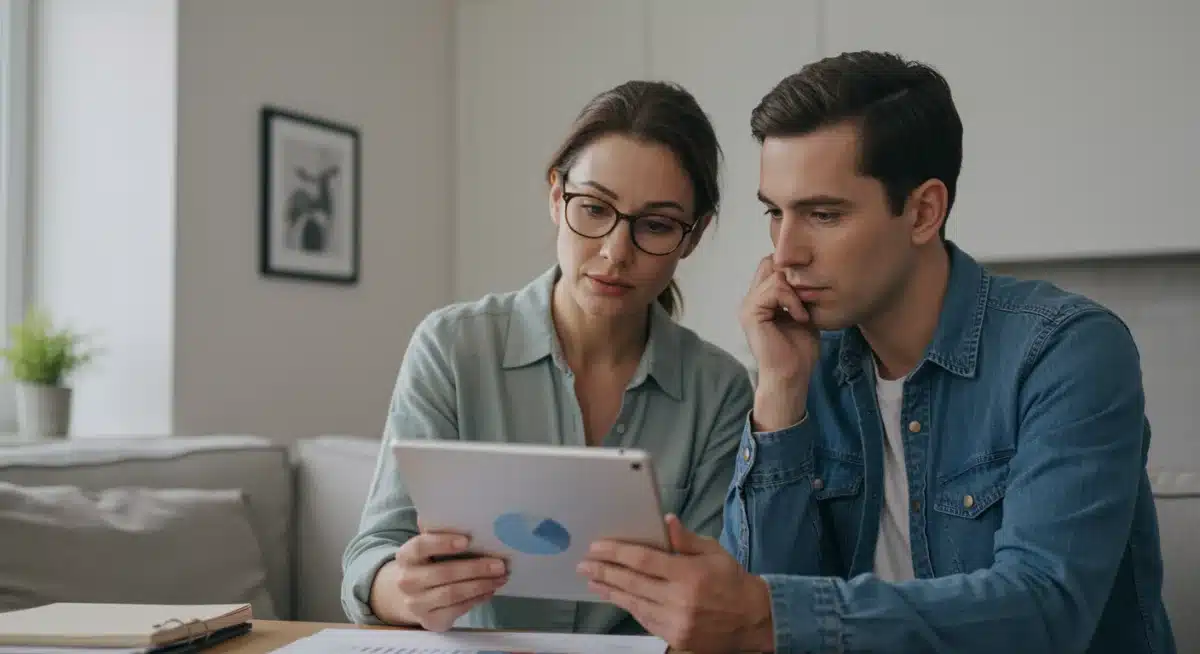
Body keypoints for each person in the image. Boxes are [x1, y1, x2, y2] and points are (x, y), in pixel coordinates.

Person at [576, 51, 1176, 653]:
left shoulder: (1066, 351)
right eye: (775, 213)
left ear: (923, 212)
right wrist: (780, 395)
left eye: (824, 214)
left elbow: (1046, 610)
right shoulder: (804, 359)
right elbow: (752, 617)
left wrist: (767, 614)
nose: (786, 252)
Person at [340, 80, 754, 636]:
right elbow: (373, 555)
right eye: (594, 208)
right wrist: (404, 591)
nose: (615, 252)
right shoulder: (452, 348)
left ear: (693, 235)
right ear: (556, 197)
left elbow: (714, 596)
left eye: (655, 225)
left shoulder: (720, 390)